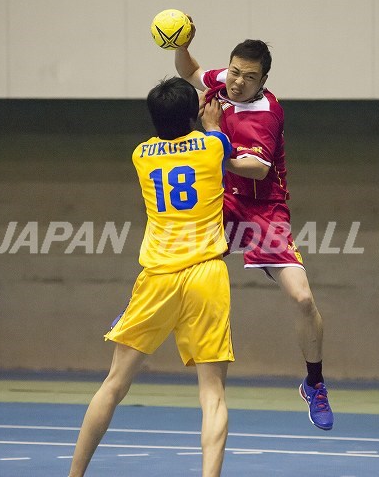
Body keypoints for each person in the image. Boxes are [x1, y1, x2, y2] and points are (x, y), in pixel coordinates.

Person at [68, 77, 234, 477]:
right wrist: (213, 123)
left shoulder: (141, 154)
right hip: (206, 275)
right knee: (212, 394)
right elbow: (219, 141)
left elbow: (175, 133)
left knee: (114, 383)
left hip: (158, 277)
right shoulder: (214, 145)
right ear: (193, 113)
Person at [174, 22, 333, 431]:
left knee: (303, 299)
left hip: (265, 210)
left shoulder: (267, 114)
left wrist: (212, 134)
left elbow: (256, 169)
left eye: (248, 77)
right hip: (225, 200)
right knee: (177, 253)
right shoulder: (223, 83)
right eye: (234, 72)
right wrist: (181, 45)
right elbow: (189, 72)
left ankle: (314, 383)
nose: (237, 82)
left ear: (263, 81)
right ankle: (139, 306)